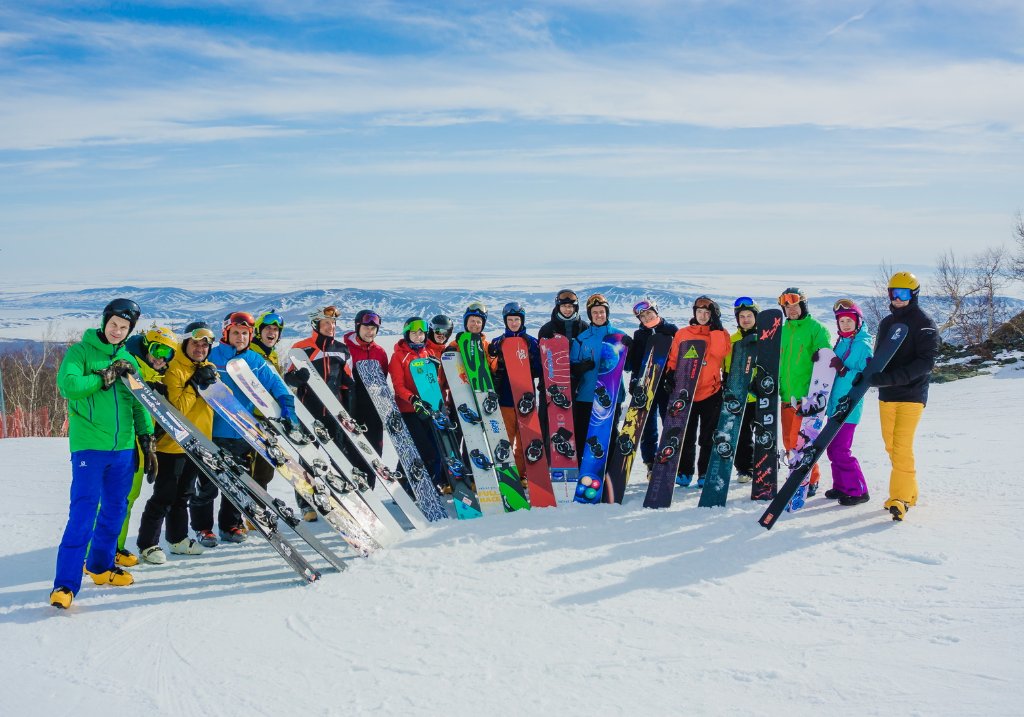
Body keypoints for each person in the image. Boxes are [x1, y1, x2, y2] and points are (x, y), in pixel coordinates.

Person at [49, 298, 155, 609]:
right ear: (104, 322)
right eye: (113, 324)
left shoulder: (129, 360)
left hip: (123, 449)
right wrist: (104, 375)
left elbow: (139, 403)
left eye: (124, 327)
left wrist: (147, 439)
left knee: (115, 510)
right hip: (89, 447)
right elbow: (68, 386)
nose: (117, 331)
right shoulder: (81, 352)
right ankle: (65, 585)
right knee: (83, 514)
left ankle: (100, 566)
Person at [196, 311, 297, 543]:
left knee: (237, 482)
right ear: (226, 333)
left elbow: (277, 385)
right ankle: (203, 528)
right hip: (213, 431)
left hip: (243, 432)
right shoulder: (212, 356)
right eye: (236, 333)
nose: (240, 337)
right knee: (208, 484)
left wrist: (287, 407)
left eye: (245, 333)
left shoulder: (255, 361)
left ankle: (230, 525)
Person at [136, 321, 217, 564]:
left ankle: (178, 539)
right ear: (185, 343)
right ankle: (148, 544)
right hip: (172, 444)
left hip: (197, 444)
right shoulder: (174, 369)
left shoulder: (209, 367)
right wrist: (194, 384)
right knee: (164, 496)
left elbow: (222, 401)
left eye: (205, 345)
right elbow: (176, 410)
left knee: (183, 496)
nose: (200, 349)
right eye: (195, 344)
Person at [104, 324, 177, 567]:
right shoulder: (131, 368)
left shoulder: (155, 378)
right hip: (122, 444)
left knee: (127, 499)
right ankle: (98, 551)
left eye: (167, 353)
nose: (161, 358)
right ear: (146, 347)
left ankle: (115, 547)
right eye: (157, 350)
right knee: (113, 500)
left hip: (140, 446)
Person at [870, 272, 938, 521]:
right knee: (891, 445)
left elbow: (926, 363)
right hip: (888, 395)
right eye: (893, 293)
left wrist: (891, 378)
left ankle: (899, 499)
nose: (897, 298)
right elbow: (880, 357)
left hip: (912, 394)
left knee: (901, 445)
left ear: (914, 294)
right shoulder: (887, 323)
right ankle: (910, 492)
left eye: (903, 293)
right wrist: (869, 375)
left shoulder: (924, 323)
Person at [288, 305, 355, 516]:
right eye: (326, 323)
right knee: (308, 458)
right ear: (316, 325)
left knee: (338, 458)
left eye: (333, 323)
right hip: (310, 411)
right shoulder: (301, 348)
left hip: (335, 413)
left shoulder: (342, 349)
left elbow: (348, 382)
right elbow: (288, 378)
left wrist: (349, 410)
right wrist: (296, 379)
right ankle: (306, 503)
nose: (330, 327)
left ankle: (339, 500)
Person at [664, 296, 731, 487]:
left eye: (707, 313)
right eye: (699, 312)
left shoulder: (720, 334)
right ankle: (685, 472)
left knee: (708, 437)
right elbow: (674, 358)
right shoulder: (683, 333)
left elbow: (720, 353)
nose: (702, 316)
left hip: (711, 392)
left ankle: (704, 473)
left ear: (713, 315)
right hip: (686, 391)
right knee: (686, 435)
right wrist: (670, 374)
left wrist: (716, 329)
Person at [778, 287, 832, 496]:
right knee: (789, 442)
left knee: (803, 442)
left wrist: (821, 355)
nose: (791, 310)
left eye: (795, 305)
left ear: (803, 306)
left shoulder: (816, 329)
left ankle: (811, 479)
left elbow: (826, 360)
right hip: (786, 396)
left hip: (806, 399)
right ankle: (795, 476)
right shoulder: (781, 331)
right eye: (787, 307)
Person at [823, 300, 873, 506]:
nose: (845, 325)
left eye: (849, 321)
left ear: (858, 322)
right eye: (841, 321)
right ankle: (841, 486)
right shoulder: (841, 342)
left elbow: (868, 375)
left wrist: (843, 370)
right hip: (835, 405)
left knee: (841, 450)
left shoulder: (863, 345)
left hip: (850, 406)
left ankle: (858, 490)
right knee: (832, 449)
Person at [388, 317, 443, 490]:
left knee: (424, 450)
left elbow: (435, 384)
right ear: (407, 334)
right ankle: (406, 486)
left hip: (427, 409)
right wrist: (412, 399)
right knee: (420, 449)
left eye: (421, 333)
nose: (418, 337)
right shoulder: (398, 356)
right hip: (408, 410)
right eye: (414, 333)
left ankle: (415, 485)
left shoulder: (429, 353)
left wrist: (437, 371)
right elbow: (398, 386)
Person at [488, 302, 542, 475]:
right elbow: (491, 368)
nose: (513, 323)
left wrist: (532, 358)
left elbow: (539, 370)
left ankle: (521, 474)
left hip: (526, 398)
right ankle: (505, 474)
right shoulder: (498, 342)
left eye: (516, 319)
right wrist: (497, 355)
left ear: (522, 320)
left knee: (525, 439)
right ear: (505, 321)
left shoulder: (531, 342)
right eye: (510, 320)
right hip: (506, 397)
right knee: (506, 438)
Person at [570, 294, 629, 448]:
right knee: (583, 436)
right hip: (586, 396)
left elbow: (629, 366)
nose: (599, 315)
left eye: (602, 311)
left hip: (612, 394)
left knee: (610, 436)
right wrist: (579, 368)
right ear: (590, 315)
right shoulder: (582, 339)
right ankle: (583, 464)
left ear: (607, 313)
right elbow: (572, 367)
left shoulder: (619, 336)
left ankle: (610, 463)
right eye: (595, 312)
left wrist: (632, 348)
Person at [630, 299, 678, 479]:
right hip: (647, 385)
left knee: (669, 423)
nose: (646, 317)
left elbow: (680, 356)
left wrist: (674, 377)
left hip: (667, 385)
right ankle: (650, 462)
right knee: (647, 425)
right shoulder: (639, 335)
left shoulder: (671, 330)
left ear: (656, 311)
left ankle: (669, 458)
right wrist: (634, 381)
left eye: (649, 313)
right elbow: (636, 361)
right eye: (642, 316)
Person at [248, 309, 287, 491]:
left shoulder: (272, 355)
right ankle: (252, 503)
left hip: (269, 418)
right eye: (268, 328)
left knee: (265, 470)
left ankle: (260, 504)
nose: (272, 332)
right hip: (253, 419)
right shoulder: (250, 353)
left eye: (276, 330)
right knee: (254, 470)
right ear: (258, 331)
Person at [343, 309, 389, 461]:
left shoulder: (380, 352)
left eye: (373, 328)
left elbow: (382, 380)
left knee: (374, 452)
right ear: (357, 327)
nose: (370, 332)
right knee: (352, 452)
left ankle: (373, 476)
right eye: (366, 328)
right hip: (351, 407)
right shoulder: (345, 349)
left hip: (373, 409)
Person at [724, 298, 759, 484]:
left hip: (761, 395)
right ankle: (745, 468)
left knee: (765, 433)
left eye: (749, 316)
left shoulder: (766, 337)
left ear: (756, 317)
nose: (745, 319)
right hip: (741, 396)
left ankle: (765, 463)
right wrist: (727, 384)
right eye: (742, 316)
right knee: (742, 434)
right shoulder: (733, 340)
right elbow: (728, 367)